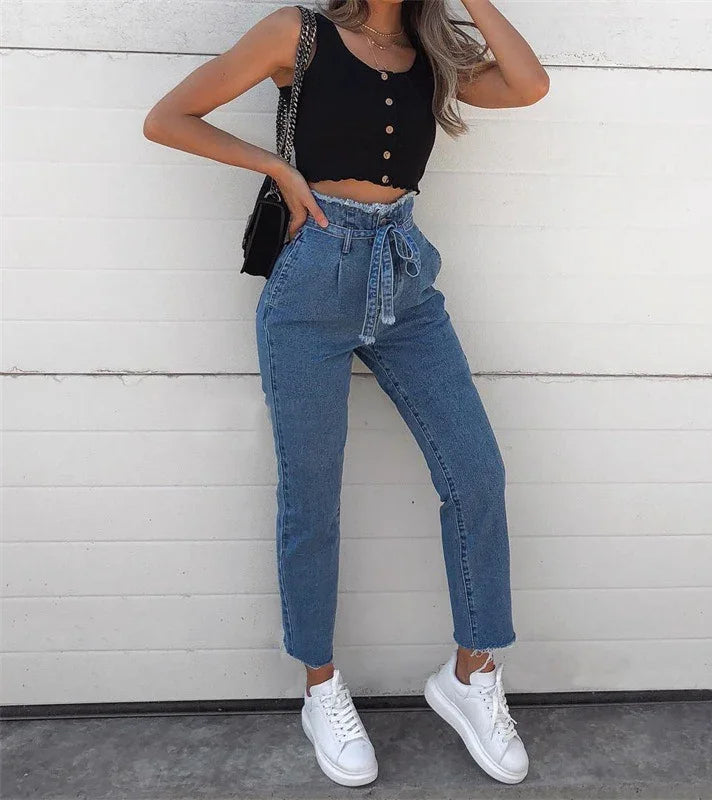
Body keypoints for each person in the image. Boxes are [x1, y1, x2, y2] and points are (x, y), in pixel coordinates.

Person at [143, 0, 549, 787]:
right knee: (312, 497)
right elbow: (170, 118)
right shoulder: (296, 33)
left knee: (476, 474)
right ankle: (321, 687)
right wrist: (277, 167)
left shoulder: (435, 51)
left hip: (404, 274)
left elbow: (528, 85)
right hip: (312, 281)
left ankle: (470, 677)